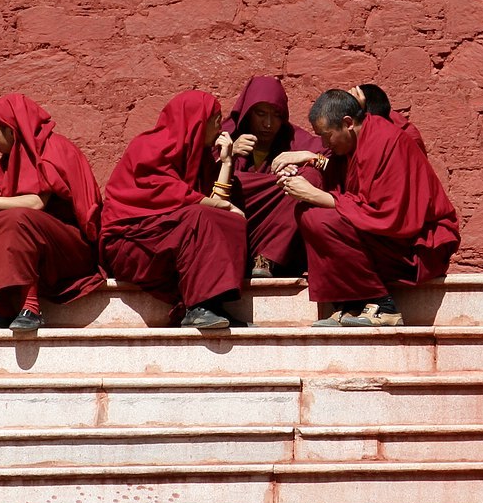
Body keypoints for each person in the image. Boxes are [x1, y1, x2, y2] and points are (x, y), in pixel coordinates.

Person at [285, 89, 459, 328]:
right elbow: (344, 181)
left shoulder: (387, 142)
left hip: (418, 246)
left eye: (326, 136)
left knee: (322, 219)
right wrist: (303, 168)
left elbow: (389, 215)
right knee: (309, 213)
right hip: (382, 237)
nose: (324, 144)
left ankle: (383, 306)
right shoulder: (354, 143)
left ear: (348, 123)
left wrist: (317, 195)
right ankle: (351, 303)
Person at [0, 94, 105, 331]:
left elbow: (34, 204)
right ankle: (4, 309)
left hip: (71, 247)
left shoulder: (52, 149)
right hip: (31, 233)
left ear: (11, 130)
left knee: (19, 220)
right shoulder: (11, 159)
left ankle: (30, 308)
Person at [101, 90, 247, 329]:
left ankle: (212, 303)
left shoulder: (200, 158)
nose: (222, 126)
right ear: (198, 120)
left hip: (170, 236)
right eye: (217, 118)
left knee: (228, 221)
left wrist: (227, 163)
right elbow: (172, 194)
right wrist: (223, 205)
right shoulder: (148, 145)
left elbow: (214, 205)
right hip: (130, 243)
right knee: (199, 217)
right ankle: (198, 306)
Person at [217, 76, 326, 278]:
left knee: (309, 176)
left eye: (276, 115)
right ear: (248, 113)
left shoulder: (292, 137)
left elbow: (331, 156)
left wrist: (308, 157)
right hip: (235, 218)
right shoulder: (226, 135)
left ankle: (266, 256)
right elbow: (198, 177)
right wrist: (229, 156)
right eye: (260, 114)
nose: (268, 124)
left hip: (279, 235)